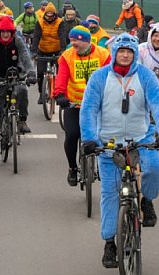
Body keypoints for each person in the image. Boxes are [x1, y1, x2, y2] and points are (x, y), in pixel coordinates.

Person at [79, 33, 159, 268]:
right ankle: (110, 242)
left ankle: (147, 201)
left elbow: (158, 105)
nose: (125, 55)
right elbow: (88, 109)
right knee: (110, 194)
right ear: (114, 53)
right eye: (121, 51)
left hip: (140, 139)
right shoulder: (100, 77)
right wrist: (89, 138)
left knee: (155, 169)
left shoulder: (145, 76)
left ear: (134, 55)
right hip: (108, 145)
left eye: (129, 52)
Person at [52, 26, 110, 186]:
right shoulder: (67, 56)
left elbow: (110, 77)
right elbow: (61, 76)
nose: (73, 43)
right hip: (75, 104)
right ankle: (72, 167)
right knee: (71, 136)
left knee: (106, 137)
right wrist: (60, 94)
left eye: (76, 40)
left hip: (98, 105)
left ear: (86, 40)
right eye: (71, 40)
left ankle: (107, 168)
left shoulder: (103, 55)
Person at [0, 15, 36, 155]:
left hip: (16, 74)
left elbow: (25, 56)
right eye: (3, 31)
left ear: (12, 32)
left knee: (23, 91)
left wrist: (31, 73)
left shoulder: (17, 39)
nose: (5, 34)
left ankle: (22, 121)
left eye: (8, 31)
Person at [31, 2, 67, 104]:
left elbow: (62, 36)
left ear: (55, 15)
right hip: (42, 50)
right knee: (40, 73)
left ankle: (59, 92)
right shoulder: (40, 22)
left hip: (56, 50)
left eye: (52, 15)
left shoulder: (60, 22)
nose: (50, 17)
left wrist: (63, 50)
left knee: (60, 72)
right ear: (45, 14)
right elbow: (36, 37)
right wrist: (34, 52)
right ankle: (41, 94)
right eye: (48, 15)